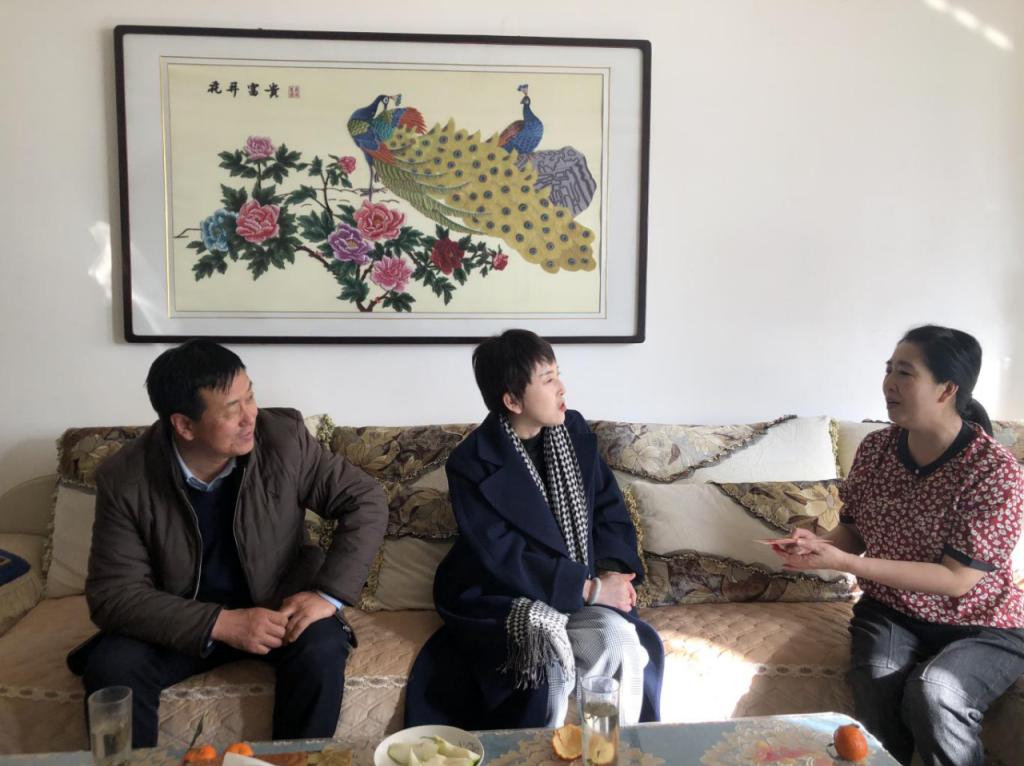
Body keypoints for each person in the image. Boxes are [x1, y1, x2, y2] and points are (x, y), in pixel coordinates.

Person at [68, 340, 388, 747]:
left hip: (277, 607)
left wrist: (328, 594)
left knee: (322, 649)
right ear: (184, 426)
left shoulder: (283, 439)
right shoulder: (127, 477)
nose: (251, 415)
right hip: (179, 617)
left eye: (250, 395)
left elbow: (365, 499)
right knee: (112, 668)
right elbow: (113, 594)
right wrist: (222, 623)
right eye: (232, 408)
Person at [772, 325, 1024, 766]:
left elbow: (956, 580)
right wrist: (817, 545)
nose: (889, 383)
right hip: (892, 611)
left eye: (905, 373)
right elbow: (854, 533)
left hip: (983, 623)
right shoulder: (876, 450)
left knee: (937, 692)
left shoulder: (993, 471)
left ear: (947, 389)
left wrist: (845, 562)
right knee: (876, 683)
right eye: (889, 369)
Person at [405, 329, 663, 729]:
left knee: (617, 640)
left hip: (581, 584)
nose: (562, 388)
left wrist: (612, 574)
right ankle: (540, 751)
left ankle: (610, 748)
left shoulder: (573, 431)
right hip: (503, 594)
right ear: (512, 400)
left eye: (558, 374)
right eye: (548, 379)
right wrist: (588, 589)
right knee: (544, 666)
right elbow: (501, 555)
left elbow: (608, 510)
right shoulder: (471, 462)